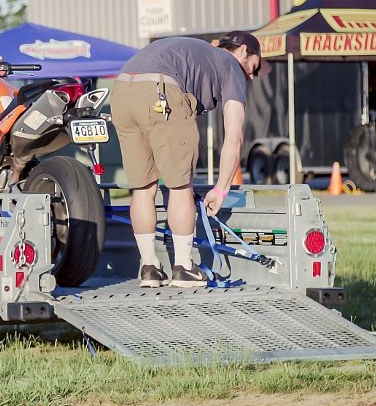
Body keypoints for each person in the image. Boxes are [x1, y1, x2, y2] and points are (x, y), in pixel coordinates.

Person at [110, 31, 266, 288]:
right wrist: (221, 188)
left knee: (143, 187)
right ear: (242, 51)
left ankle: (149, 267)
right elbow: (235, 137)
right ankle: (183, 267)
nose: (251, 76)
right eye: (255, 67)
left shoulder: (199, 55)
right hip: (159, 90)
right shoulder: (231, 66)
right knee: (180, 185)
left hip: (122, 89)